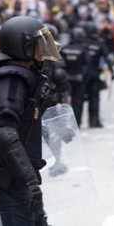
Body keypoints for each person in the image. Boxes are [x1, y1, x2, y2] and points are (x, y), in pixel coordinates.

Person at [0, 16, 62, 225]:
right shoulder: (13, 79)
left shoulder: (20, 75)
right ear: (23, 46)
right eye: (38, 44)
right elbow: (5, 134)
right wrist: (29, 182)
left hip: (18, 174)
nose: (43, 50)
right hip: (11, 177)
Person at [41, 23, 71, 177]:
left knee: (49, 134)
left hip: (43, 102)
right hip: (49, 102)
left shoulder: (35, 55)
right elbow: (62, 77)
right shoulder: (54, 57)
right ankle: (54, 163)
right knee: (54, 135)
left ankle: (53, 163)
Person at [83, 21, 114, 128]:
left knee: (77, 100)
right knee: (94, 98)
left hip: (82, 75)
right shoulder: (99, 43)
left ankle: (77, 122)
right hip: (94, 74)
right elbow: (108, 58)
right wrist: (112, 72)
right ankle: (94, 122)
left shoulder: (81, 42)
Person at [60, 27, 90, 126]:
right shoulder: (83, 49)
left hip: (66, 79)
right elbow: (87, 65)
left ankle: (64, 123)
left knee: (64, 102)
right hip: (79, 79)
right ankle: (77, 123)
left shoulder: (64, 49)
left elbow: (61, 64)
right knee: (78, 102)